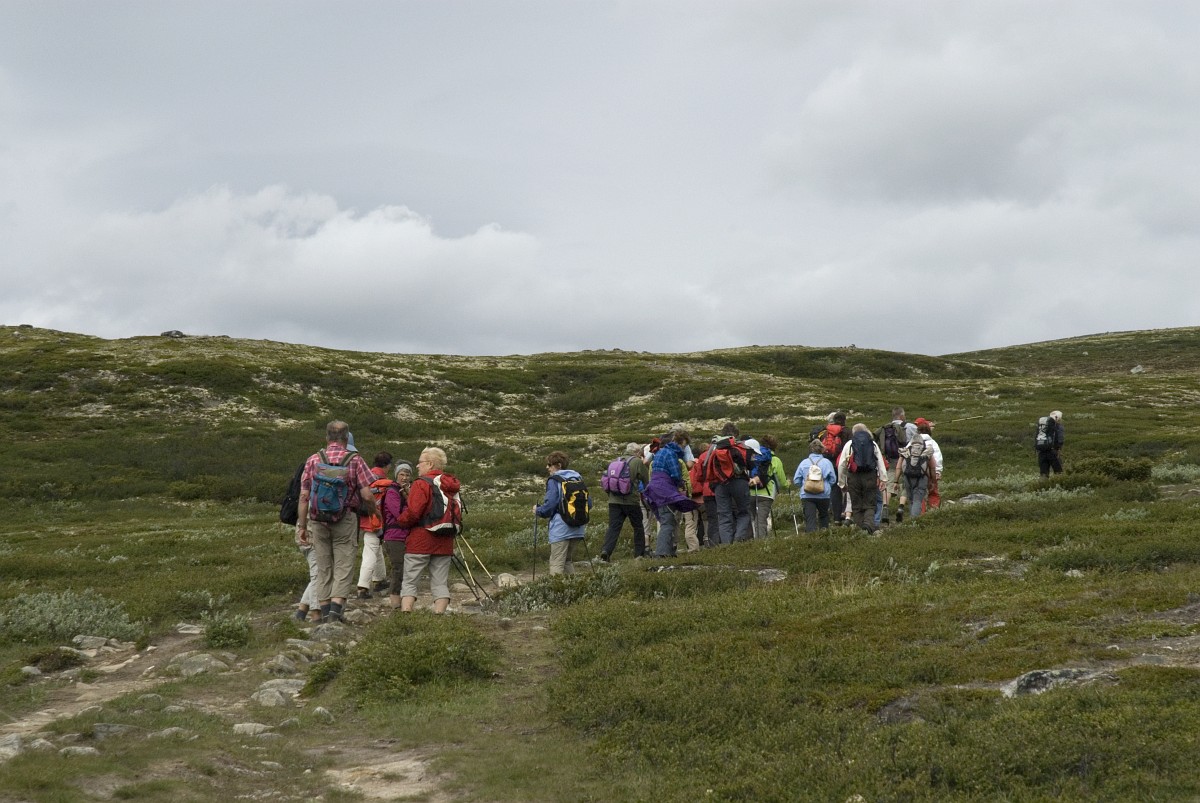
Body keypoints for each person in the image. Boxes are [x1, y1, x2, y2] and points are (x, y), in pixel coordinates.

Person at [295, 421, 378, 623]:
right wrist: (375, 513)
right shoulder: (355, 460)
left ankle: (323, 613)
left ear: (327, 437)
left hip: (317, 520)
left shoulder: (313, 459)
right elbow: (367, 495)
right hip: (345, 518)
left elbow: (304, 496)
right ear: (346, 438)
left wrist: (302, 526)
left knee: (323, 566)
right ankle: (335, 612)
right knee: (343, 564)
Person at [397, 446, 461, 613]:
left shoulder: (421, 484)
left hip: (420, 540)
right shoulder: (450, 484)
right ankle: (439, 615)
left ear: (430, 464)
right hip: (445, 540)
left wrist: (400, 521)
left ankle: (405, 614)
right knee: (440, 582)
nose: (417, 466)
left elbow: (413, 512)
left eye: (420, 462)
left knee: (410, 581)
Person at [535, 451, 591, 575]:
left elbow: (550, 506)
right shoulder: (577, 478)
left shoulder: (554, 480)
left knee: (557, 562)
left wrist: (538, 510)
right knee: (567, 561)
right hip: (578, 527)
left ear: (558, 465)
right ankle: (573, 586)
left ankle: (556, 587)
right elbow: (589, 503)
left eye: (549, 465)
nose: (547, 467)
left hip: (561, 528)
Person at [643, 430, 698, 557]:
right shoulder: (671, 454)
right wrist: (681, 486)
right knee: (667, 522)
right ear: (680, 442)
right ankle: (661, 553)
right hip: (664, 490)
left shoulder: (660, 452)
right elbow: (675, 474)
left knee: (666, 520)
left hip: (654, 489)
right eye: (684, 445)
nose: (684, 448)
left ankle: (668, 552)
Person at [599, 443, 650, 561]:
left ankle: (606, 551)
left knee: (613, 527)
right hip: (631, 501)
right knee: (638, 526)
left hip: (613, 501)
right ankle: (639, 554)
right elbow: (646, 480)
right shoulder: (637, 462)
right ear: (637, 452)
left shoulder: (614, 461)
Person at [355, 451, 395, 600]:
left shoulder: (364, 477)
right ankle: (363, 587)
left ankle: (379, 579)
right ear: (387, 466)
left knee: (375, 548)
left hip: (364, 519)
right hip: (378, 521)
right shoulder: (387, 483)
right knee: (370, 552)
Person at [705, 422, 752, 544]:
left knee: (724, 516)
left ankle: (726, 545)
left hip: (720, 484)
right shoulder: (740, 446)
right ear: (736, 434)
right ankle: (738, 539)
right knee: (743, 512)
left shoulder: (714, 447)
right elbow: (750, 464)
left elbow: (706, 466)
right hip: (739, 481)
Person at [836, 423, 888, 533]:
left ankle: (860, 528)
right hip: (870, 476)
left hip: (853, 477)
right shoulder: (872, 443)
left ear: (853, 432)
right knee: (870, 504)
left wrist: (841, 483)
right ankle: (868, 525)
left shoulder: (849, 444)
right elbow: (880, 461)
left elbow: (841, 465)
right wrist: (883, 479)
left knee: (856, 505)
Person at [875, 407, 917, 527]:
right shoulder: (910, 427)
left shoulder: (885, 428)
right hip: (907, 459)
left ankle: (885, 508)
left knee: (888, 485)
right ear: (902, 416)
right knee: (906, 483)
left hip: (891, 460)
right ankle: (901, 507)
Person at [382, 461, 412, 610]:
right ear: (396, 475)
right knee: (398, 568)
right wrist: (409, 502)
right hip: (394, 536)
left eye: (407, 475)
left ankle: (402, 601)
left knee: (406, 569)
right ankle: (395, 603)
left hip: (406, 535)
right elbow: (399, 514)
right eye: (402, 474)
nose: (404, 478)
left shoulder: (409, 491)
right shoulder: (392, 492)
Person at [747, 435, 789, 539]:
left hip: (751, 492)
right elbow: (782, 481)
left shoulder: (753, 456)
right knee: (761, 520)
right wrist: (787, 484)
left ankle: (750, 541)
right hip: (766, 494)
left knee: (752, 519)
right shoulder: (775, 460)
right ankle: (761, 542)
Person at [794, 438, 838, 532]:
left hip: (807, 495)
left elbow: (796, 480)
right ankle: (824, 535)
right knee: (824, 516)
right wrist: (826, 485)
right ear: (822, 450)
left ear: (810, 449)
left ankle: (811, 536)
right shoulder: (827, 462)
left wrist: (804, 485)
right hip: (823, 494)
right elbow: (833, 479)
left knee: (810, 518)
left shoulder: (804, 463)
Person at [898, 435, 938, 518]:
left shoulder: (906, 450)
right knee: (917, 500)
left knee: (911, 499)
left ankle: (911, 518)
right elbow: (932, 468)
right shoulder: (927, 451)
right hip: (922, 479)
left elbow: (898, 467)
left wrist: (896, 481)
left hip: (907, 478)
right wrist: (933, 481)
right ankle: (914, 520)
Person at [913, 418, 944, 510]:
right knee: (933, 492)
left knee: (919, 494)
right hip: (930, 472)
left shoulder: (912, 442)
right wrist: (938, 471)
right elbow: (937, 457)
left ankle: (920, 513)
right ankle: (934, 510)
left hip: (916, 472)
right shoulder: (932, 442)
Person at [1036, 410, 1065, 478]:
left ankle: (1043, 483)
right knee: (1058, 471)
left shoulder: (1042, 426)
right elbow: (1060, 439)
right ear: (1058, 418)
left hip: (1041, 451)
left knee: (1044, 472)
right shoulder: (1058, 426)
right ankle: (1059, 483)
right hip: (1052, 451)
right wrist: (1058, 448)